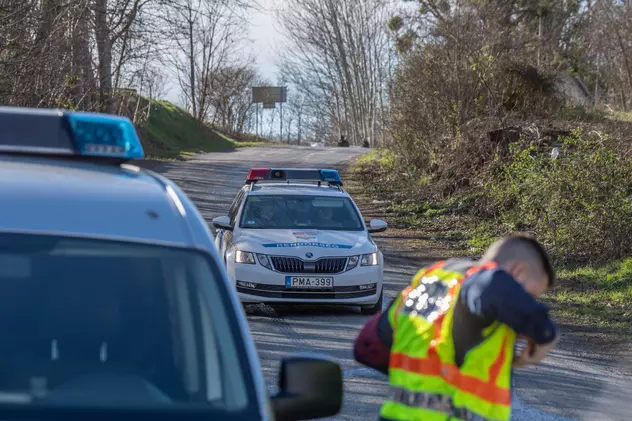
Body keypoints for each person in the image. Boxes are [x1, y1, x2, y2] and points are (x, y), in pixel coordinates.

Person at [353, 234, 559, 421]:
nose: (529, 303)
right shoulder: (485, 281)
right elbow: (493, 286)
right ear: (517, 271)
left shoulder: (430, 278)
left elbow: (367, 347)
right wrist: (546, 336)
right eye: (531, 296)